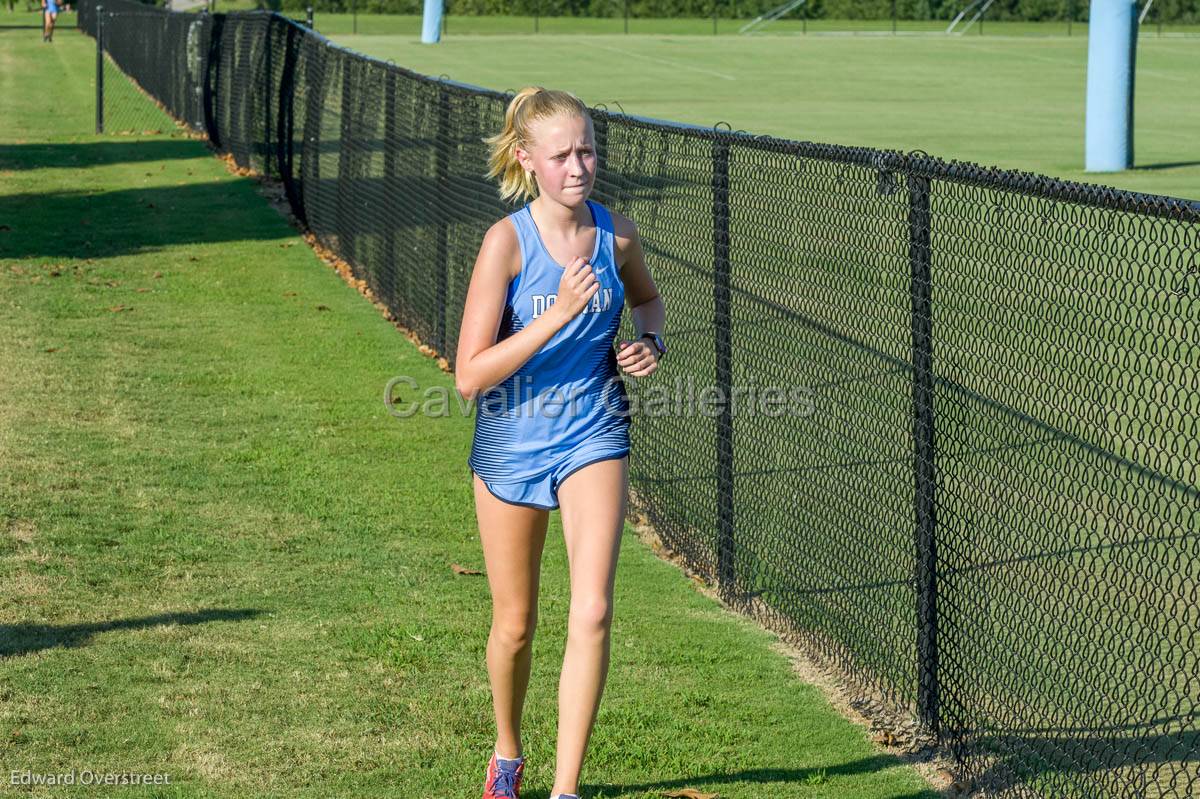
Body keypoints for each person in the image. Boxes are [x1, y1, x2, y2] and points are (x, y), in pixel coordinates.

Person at [455, 86, 667, 799]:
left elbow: (647, 299)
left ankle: (566, 789)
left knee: (595, 607)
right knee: (515, 625)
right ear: (527, 160)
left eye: (588, 150)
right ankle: (508, 752)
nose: (579, 166)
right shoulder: (505, 242)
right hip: (512, 439)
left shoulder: (618, 235)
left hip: (593, 429)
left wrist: (650, 342)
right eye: (563, 154)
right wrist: (559, 315)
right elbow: (468, 375)